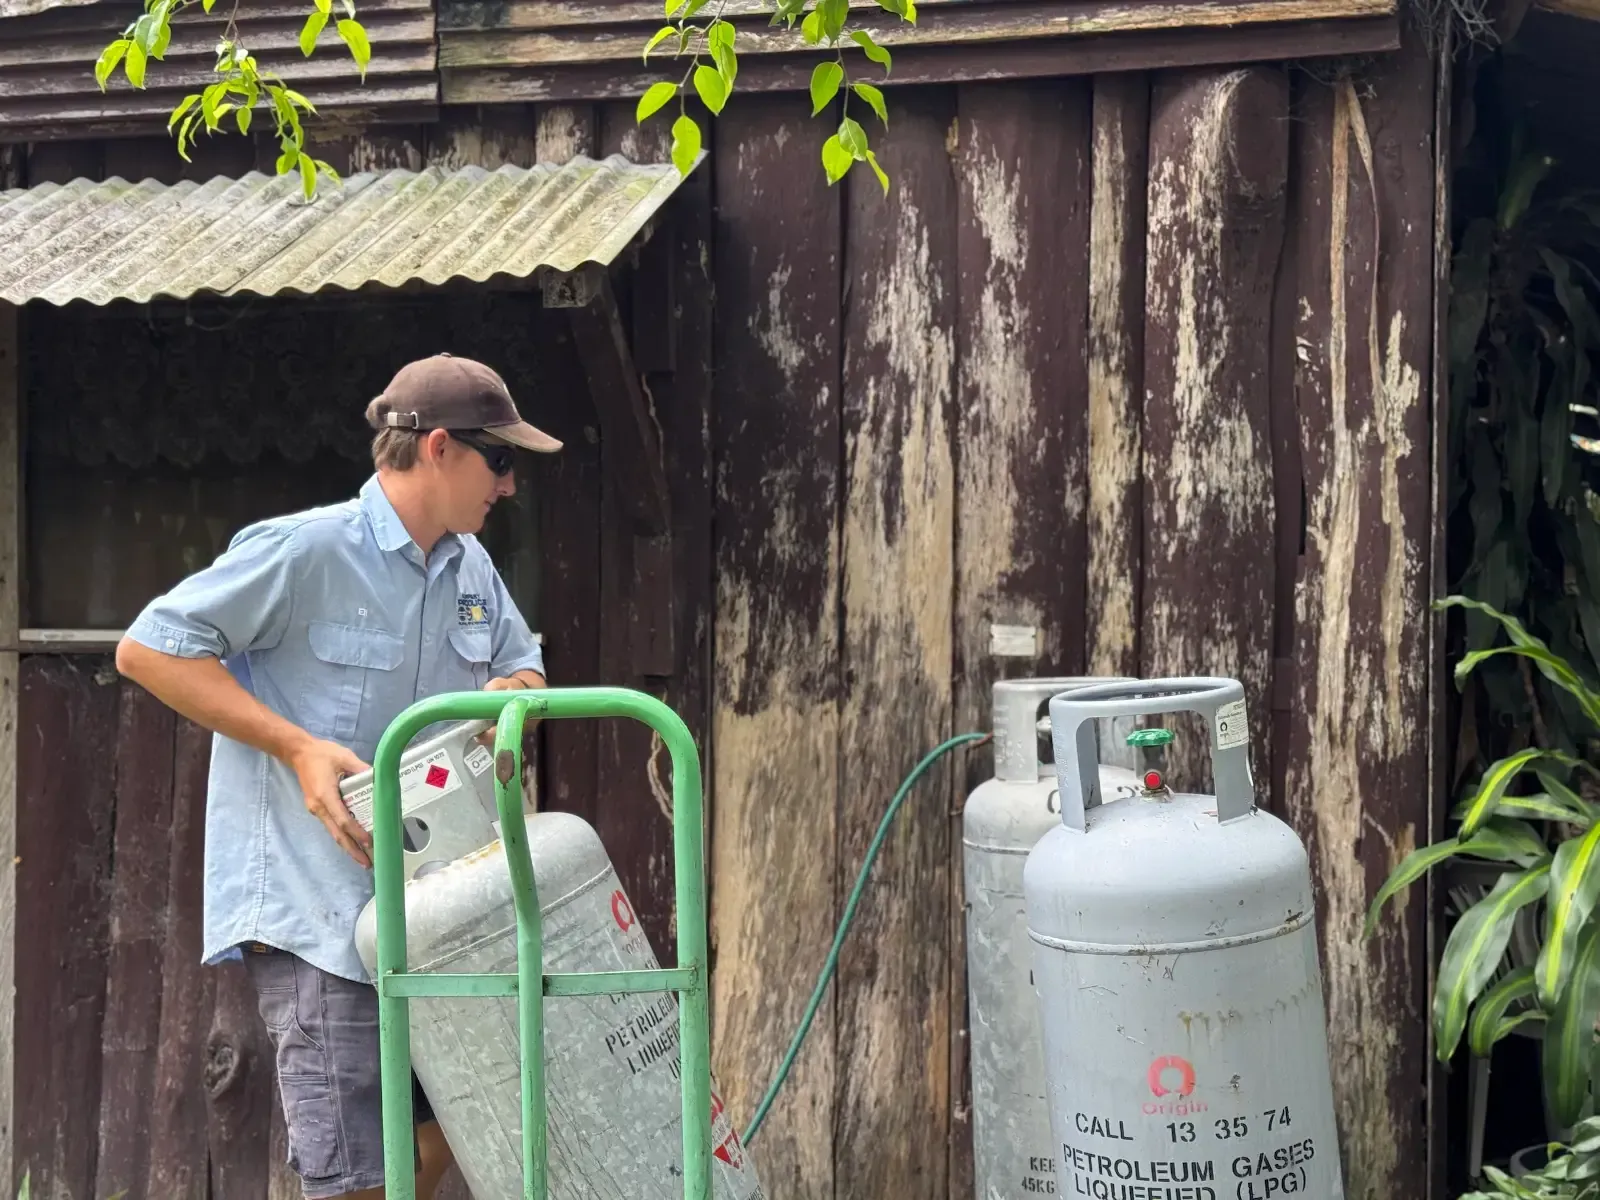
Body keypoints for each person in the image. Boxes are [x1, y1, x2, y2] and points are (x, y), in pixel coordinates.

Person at [115, 353, 561, 1199]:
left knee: (442, 1145)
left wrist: (518, 693)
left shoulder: (470, 568)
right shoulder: (307, 549)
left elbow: (523, 660)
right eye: (499, 461)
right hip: (320, 912)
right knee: (358, 1176)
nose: (508, 486)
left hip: (436, 908)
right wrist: (296, 746)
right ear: (437, 448)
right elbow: (147, 649)